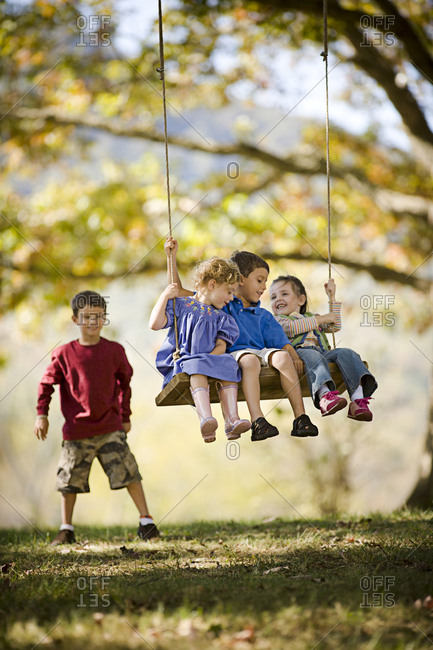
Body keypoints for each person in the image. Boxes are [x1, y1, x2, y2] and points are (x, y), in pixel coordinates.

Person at [34, 290, 159, 545]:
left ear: (104, 318)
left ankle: (146, 522)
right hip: (77, 430)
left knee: (129, 471)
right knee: (68, 480)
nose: (93, 322)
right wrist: (41, 415)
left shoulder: (114, 351)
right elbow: (46, 384)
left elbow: (125, 384)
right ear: (75, 319)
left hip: (110, 426)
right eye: (87, 316)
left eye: (99, 316)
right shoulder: (63, 354)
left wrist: (125, 415)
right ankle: (66, 528)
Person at [164, 239, 319, 441]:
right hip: (235, 355)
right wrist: (171, 257)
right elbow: (178, 291)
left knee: (281, 357)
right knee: (249, 360)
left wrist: (293, 356)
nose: (265, 287)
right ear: (241, 280)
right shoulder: (223, 302)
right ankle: (258, 420)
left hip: (261, 352)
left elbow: (282, 343)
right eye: (260, 280)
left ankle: (301, 417)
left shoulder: (263, 315)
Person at [150, 256, 251, 443]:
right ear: (212, 284)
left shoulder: (221, 317)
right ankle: (206, 419)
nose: (231, 298)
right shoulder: (182, 305)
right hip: (184, 361)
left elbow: (221, 346)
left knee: (229, 362)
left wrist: (209, 360)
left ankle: (232, 421)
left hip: (208, 359)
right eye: (229, 291)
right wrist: (165, 295)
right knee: (197, 367)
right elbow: (155, 324)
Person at [269, 275, 377, 420]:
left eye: (284, 294)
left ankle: (358, 401)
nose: (278, 299)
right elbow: (292, 328)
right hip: (299, 353)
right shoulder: (277, 320)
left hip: (323, 352)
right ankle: (325, 396)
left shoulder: (311, 316)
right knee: (313, 356)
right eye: (273, 297)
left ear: (301, 300)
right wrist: (322, 319)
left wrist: (332, 297)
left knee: (348, 353)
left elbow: (335, 326)